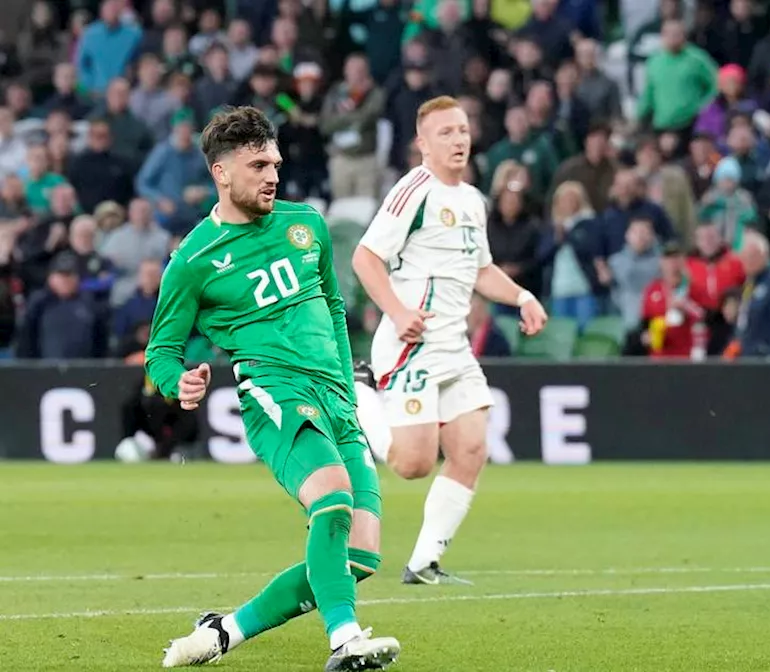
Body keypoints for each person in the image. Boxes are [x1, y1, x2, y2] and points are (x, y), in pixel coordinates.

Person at [149, 107, 400, 670]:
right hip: (276, 392)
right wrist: (177, 381)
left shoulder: (305, 223)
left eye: (276, 164)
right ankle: (345, 641)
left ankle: (224, 633)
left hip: (337, 395)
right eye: (258, 164)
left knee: (357, 556)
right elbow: (161, 351)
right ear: (221, 172)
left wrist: (347, 378)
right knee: (332, 499)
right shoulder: (192, 261)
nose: (272, 175)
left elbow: (333, 306)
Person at [351, 96, 548, 586]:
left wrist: (522, 296)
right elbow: (364, 258)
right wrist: (397, 314)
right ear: (423, 143)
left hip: (454, 346)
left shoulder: (472, 200)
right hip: (410, 342)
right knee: (413, 464)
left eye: (462, 130)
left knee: (471, 448)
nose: (458, 139)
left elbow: (481, 269)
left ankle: (423, 562)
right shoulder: (413, 189)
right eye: (445, 133)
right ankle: (359, 394)